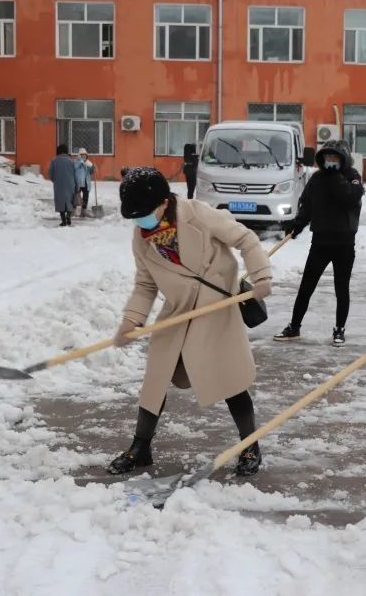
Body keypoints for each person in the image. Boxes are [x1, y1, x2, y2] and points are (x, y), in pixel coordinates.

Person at [109, 168, 273, 476]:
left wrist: (262, 275)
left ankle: (249, 445)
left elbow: (246, 239)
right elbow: (146, 285)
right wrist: (131, 321)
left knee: (230, 379)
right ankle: (140, 446)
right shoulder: (141, 238)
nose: (140, 221)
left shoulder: (199, 215)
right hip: (179, 312)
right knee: (155, 379)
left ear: (162, 203)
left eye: (143, 213)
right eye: (134, 216)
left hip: (216, 310)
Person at [274, 139, 364, 347]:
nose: (330, 161)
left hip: (344, 243)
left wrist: (335, 178)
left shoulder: (352, 177)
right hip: (320, 242)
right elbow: (307, 206)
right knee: (306, 286)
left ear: (343, 159)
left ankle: (339, 329)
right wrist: (297, 226)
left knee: (341, 288)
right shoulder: (317, 179)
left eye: (334, 157)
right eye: (327, 158)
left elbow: (349, 199)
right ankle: (294, 326)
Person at [48, 144, 77, 227]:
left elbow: (50, 174)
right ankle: (69, 217)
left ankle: (63, 220)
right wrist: (76, 185)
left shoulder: (54, 160)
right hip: (70, 184)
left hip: (59, 185)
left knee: (60, 202)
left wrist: (55, 180)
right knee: (69, 202)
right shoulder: (71, 161)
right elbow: (75, 174)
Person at [73, 148, 94, 217]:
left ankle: (83, 211)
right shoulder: (76, 161)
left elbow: (90, 172)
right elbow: (74, 168)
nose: (84, 156)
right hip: (78, 182)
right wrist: (80, 162)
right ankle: (73, 211)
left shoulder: (88, 163)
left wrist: (92, 168)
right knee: (76, 197)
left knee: (85, 197)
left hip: (86, 183)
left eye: (85, 155)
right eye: (82, 155)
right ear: (79, 155)